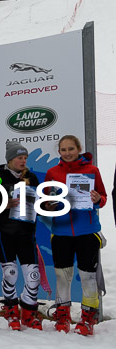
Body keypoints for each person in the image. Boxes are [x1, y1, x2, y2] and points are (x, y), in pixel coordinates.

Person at [43, 135, 107, 336]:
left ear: (79, 148)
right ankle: (63, 316)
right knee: (62, 276)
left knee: (88, 276)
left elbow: (103, 197)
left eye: (71, 149)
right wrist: (48, 204)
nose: (68, 153)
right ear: (59, 152)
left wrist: (97, 199)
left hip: (86, 231)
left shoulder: (91, 171)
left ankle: (88, 318)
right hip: (61, 231)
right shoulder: (52, 172)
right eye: (63, 150)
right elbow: (44, 202)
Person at [0, 141, 42, 331]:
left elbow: (39, 203)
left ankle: (28, 312)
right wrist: (5, 203)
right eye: (20, 157)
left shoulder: (32, 177)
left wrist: (44, 206)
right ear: (10, 159)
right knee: (10, 274)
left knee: (33, 276)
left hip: (26, 233)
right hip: (5, 233)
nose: (23, 161)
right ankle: (11, 311)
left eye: (25, 158)